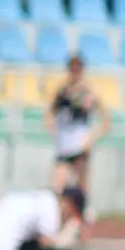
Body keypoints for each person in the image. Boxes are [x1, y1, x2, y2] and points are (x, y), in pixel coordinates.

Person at [44, 56, 104, 201]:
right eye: (72, 68)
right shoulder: (62, 91)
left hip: (80, 142)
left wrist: (91, 138)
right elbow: (49, 113)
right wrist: (52, 127)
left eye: (77, 68)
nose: (74, 72)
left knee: (81, 183)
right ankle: (57, 211)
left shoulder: (89, 93)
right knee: (59, 183)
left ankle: (81, 212)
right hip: (64, 143)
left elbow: (105, 120)